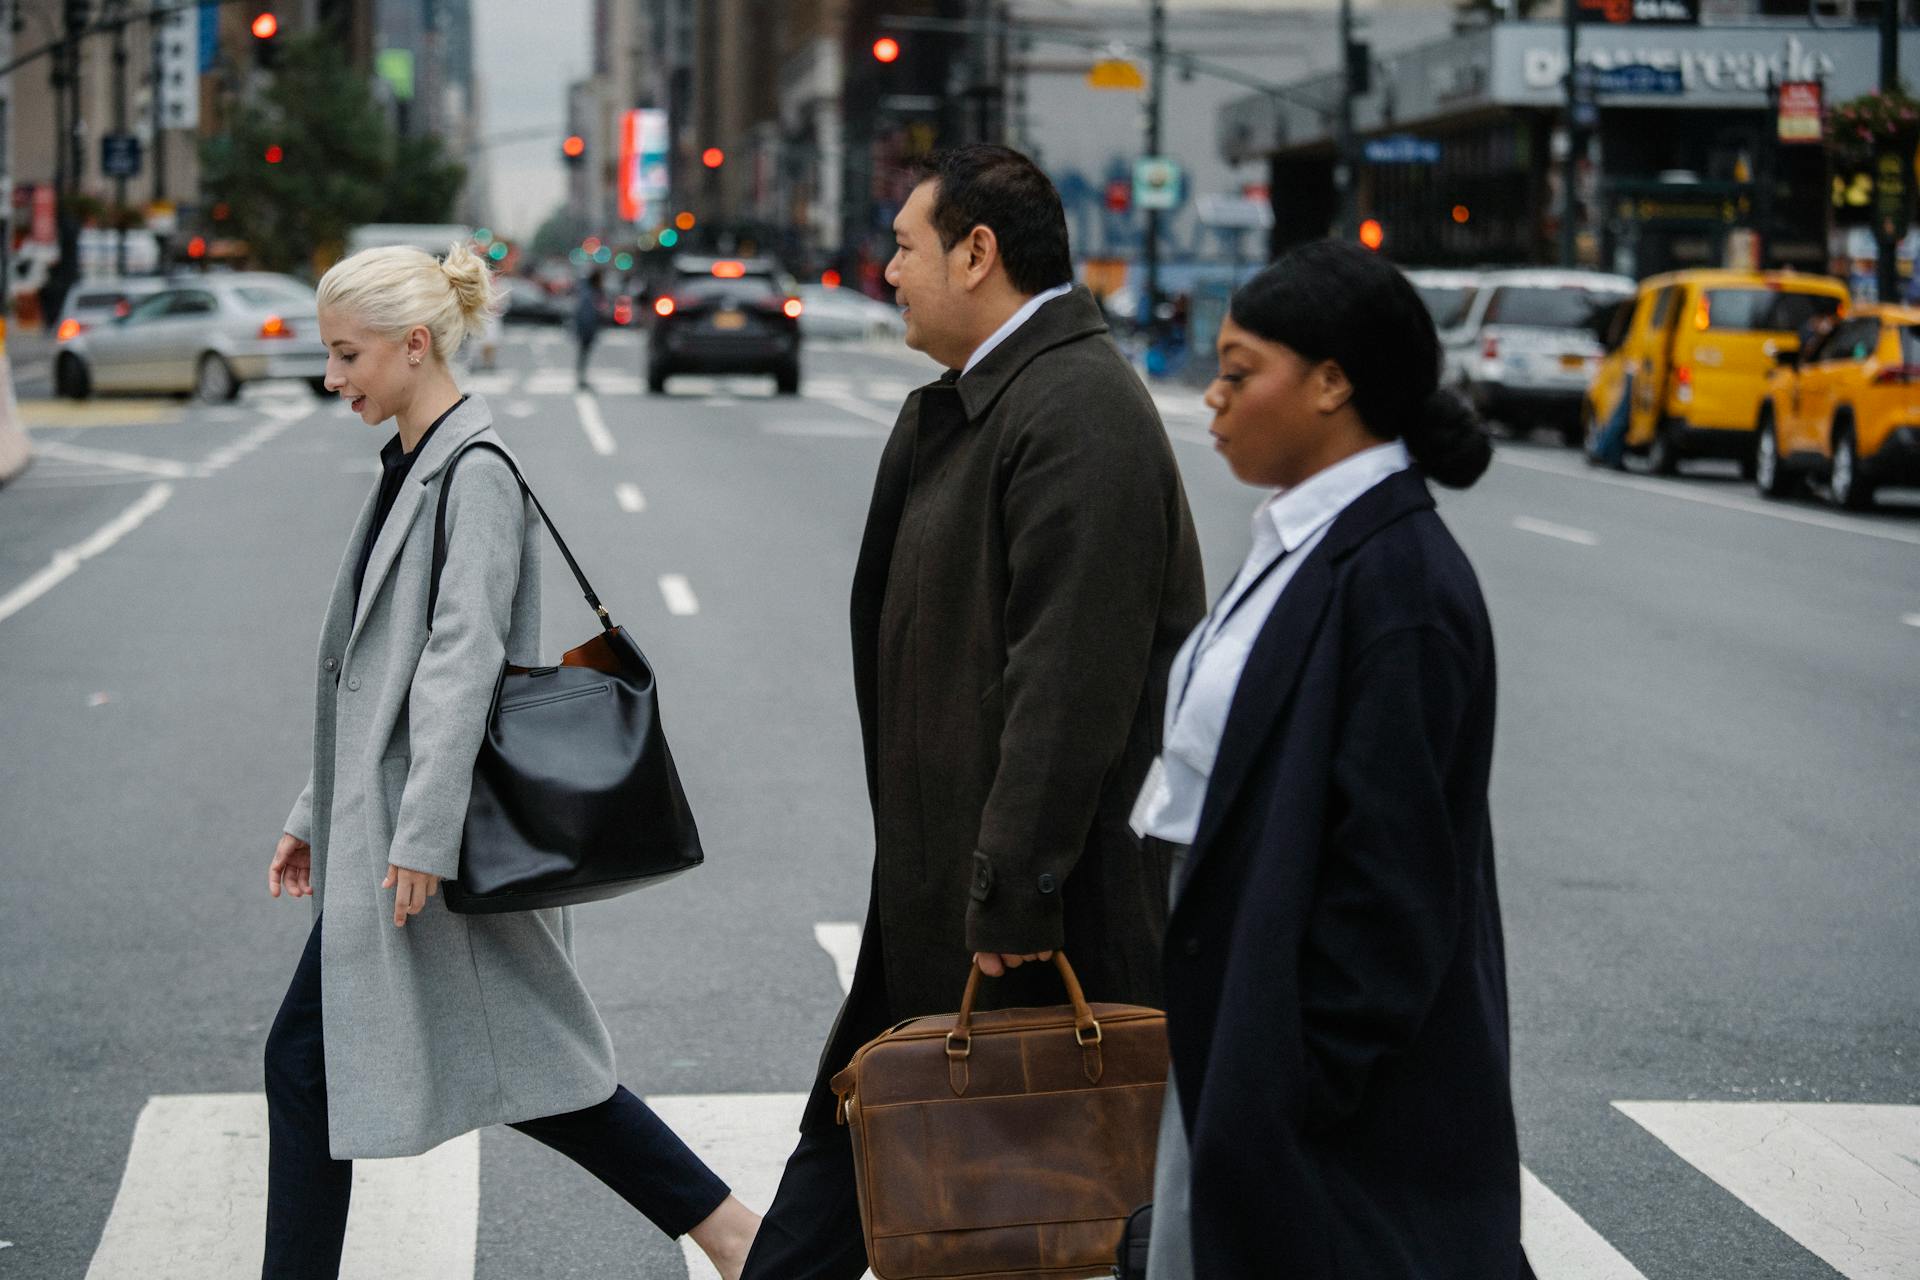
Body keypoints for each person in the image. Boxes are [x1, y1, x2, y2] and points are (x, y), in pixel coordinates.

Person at [741, 144, 1206, 1280]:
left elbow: (1066, 685)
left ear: (977, 252)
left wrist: (1010, 896)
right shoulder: (984, 403)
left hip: (1031, 923)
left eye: (904, 245)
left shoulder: (1078, 410)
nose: (889, 269)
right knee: (876, 1161)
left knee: (1034, 1215)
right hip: (947, 897)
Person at [264, 241, 759, 1280]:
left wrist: (423, 834)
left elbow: (459, 662)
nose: (332, 377)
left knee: (326, 1063)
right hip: (398, 823)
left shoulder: (472, 470)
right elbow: (375, 673)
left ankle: (730, 1226)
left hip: (423, 833)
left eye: (347, 355)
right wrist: (315, 810)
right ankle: (729, 1228)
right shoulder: (416, 462)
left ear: (413, 344)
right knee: (497, 1061)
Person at [1136, 241, 1533, 1279]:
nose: (1213, 398)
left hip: (1309, 1085)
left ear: (1330, 381)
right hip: (1238, 1030)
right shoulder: (1307, 537)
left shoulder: (1398, 579)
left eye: (1239, 369)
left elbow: (1394, 880)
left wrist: (1296, 1082)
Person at [572, 268, 605, 390]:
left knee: (583, 355)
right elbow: (587, 315)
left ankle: (581, 378)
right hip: (586, 330)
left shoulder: (588, 292)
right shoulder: (590, 294)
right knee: (583, 355)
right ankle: (581, 379)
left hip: (586, 330)